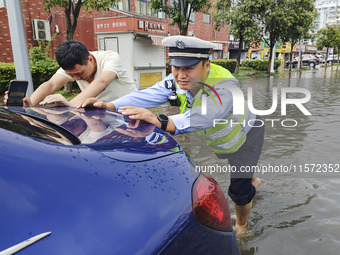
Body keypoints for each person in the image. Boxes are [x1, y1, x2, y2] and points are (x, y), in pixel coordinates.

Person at [78, 35, 265, 234]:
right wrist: (110, 105)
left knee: (238, 192)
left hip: (247, 136)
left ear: (206, 65)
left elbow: (206, 117)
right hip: (223, 139)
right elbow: (149, 94)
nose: (181, 75)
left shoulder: (225, 87)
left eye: (189, 68)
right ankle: (251, 178)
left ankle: (242, 226)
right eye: (176, 68)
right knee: (239, 169)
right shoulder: (177, 80)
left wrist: (161, 122)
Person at [4, 40, 137, 107]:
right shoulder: (72, 65)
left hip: (133, 108)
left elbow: (102, 82)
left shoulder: (110, 57)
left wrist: (70, 106)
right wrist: (30, 103)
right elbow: (50, 85)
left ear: (90, 59)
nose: (77, 78)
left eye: (79, 73)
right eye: (72, 75)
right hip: (105, 112)